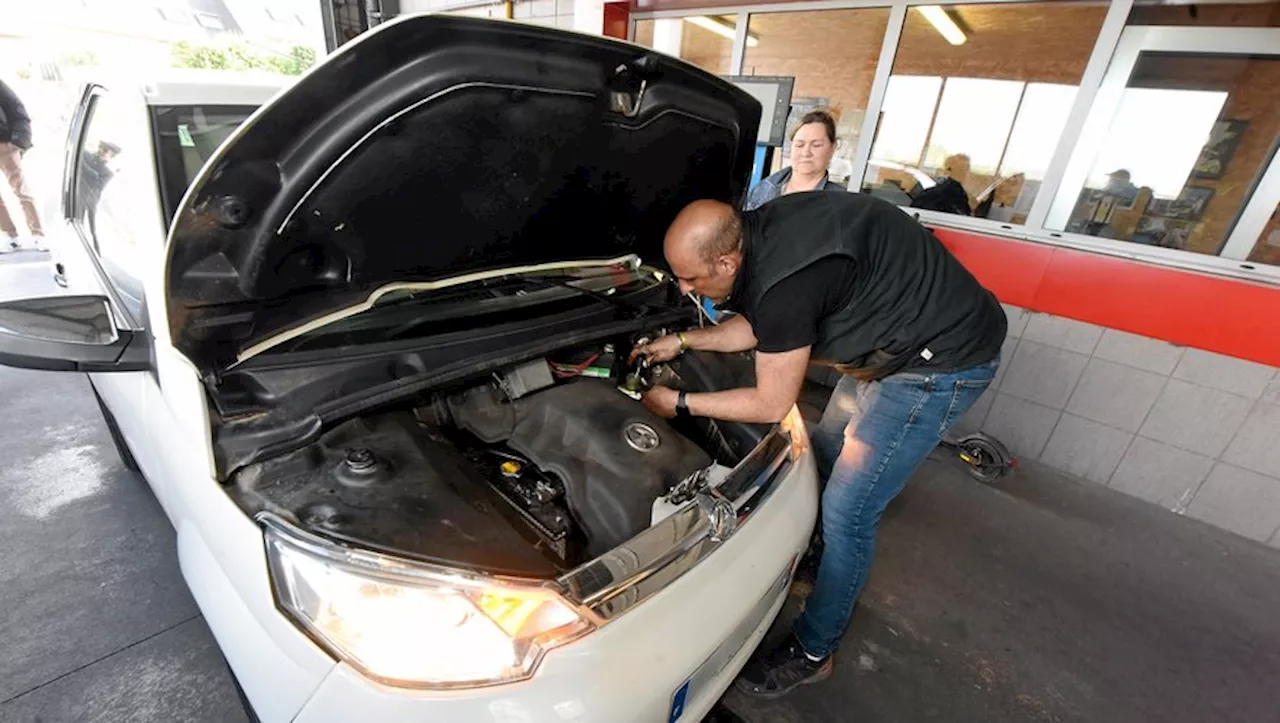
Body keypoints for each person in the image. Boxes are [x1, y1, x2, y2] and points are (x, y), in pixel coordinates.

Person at [634, 191, 1006, 699]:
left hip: (940, 363)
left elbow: (770, 402)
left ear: (727, 260)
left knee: (849, 511)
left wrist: (678, 402)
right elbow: (759, 325)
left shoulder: (786, 284)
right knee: (824, 454)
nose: (684, 287)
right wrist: (682, 342)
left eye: (692, 279)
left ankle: (814, 650)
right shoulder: (760, 233)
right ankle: (815, 555)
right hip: (886, 339)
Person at [743, 110, 845, 211]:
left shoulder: (840, 202)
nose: (806, 153)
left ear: (833, 147)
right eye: (799, 144)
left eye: (816, 145)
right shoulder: (763, 190)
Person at [0, 79, 45, 251]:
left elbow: (16, 108)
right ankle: (9, 236)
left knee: (21, 191)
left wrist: (18, 141)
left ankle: (38, 234)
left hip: (4, 144)